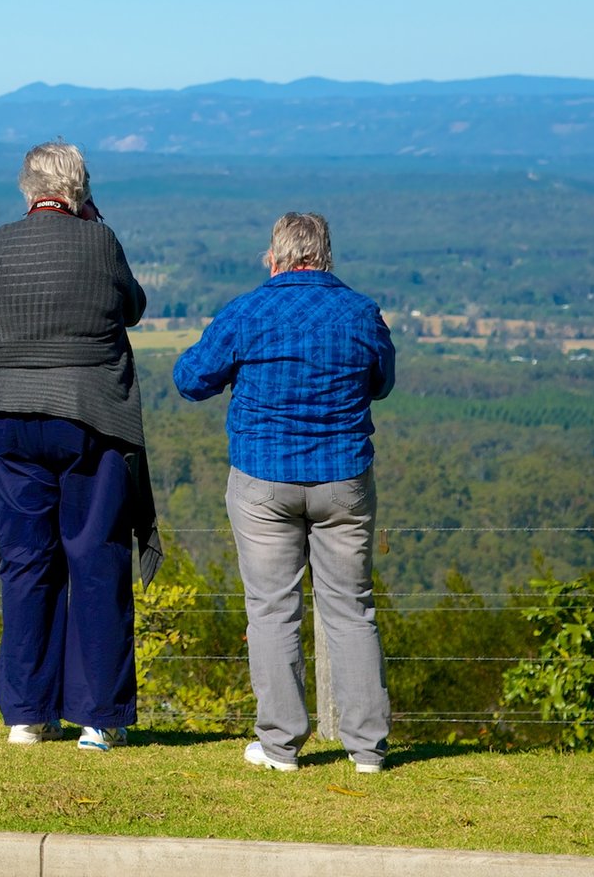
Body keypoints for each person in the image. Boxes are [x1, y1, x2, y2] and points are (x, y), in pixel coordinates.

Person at [173, 211, 396, 775]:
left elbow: (190, 379)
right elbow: (382, 383)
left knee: (273, 611)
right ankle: (367, 749)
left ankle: (280, 746)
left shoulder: (248, 311)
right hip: (343, 478)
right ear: (325, 258)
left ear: (273, 259)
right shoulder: (361, 312)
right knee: (351, 609)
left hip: (263, 480)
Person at [0, 141, 159, 751]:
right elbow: (133, 306)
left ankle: (27, 713)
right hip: (87, 413)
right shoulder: (98, 240)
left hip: (4, 417)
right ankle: (99, 717)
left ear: (27, 189)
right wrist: (95, 226)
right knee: (96, 556)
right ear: (80, 191)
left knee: (26, 560)